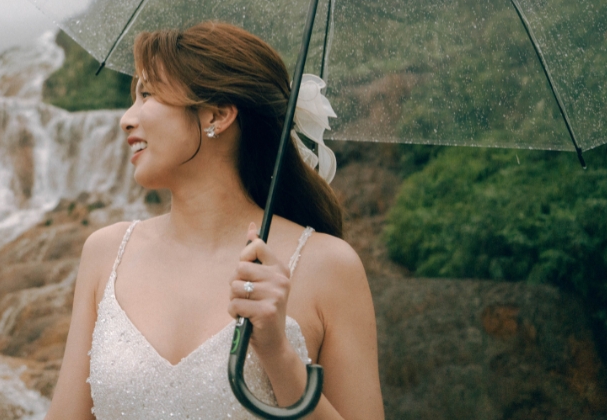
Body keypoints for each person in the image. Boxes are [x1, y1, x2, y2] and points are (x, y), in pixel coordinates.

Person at [45, 22, 383, 420]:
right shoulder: (104, 253)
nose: (127, 119)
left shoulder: (330, 267)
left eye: (147, 94)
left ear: (218, 115)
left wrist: (278, 355)